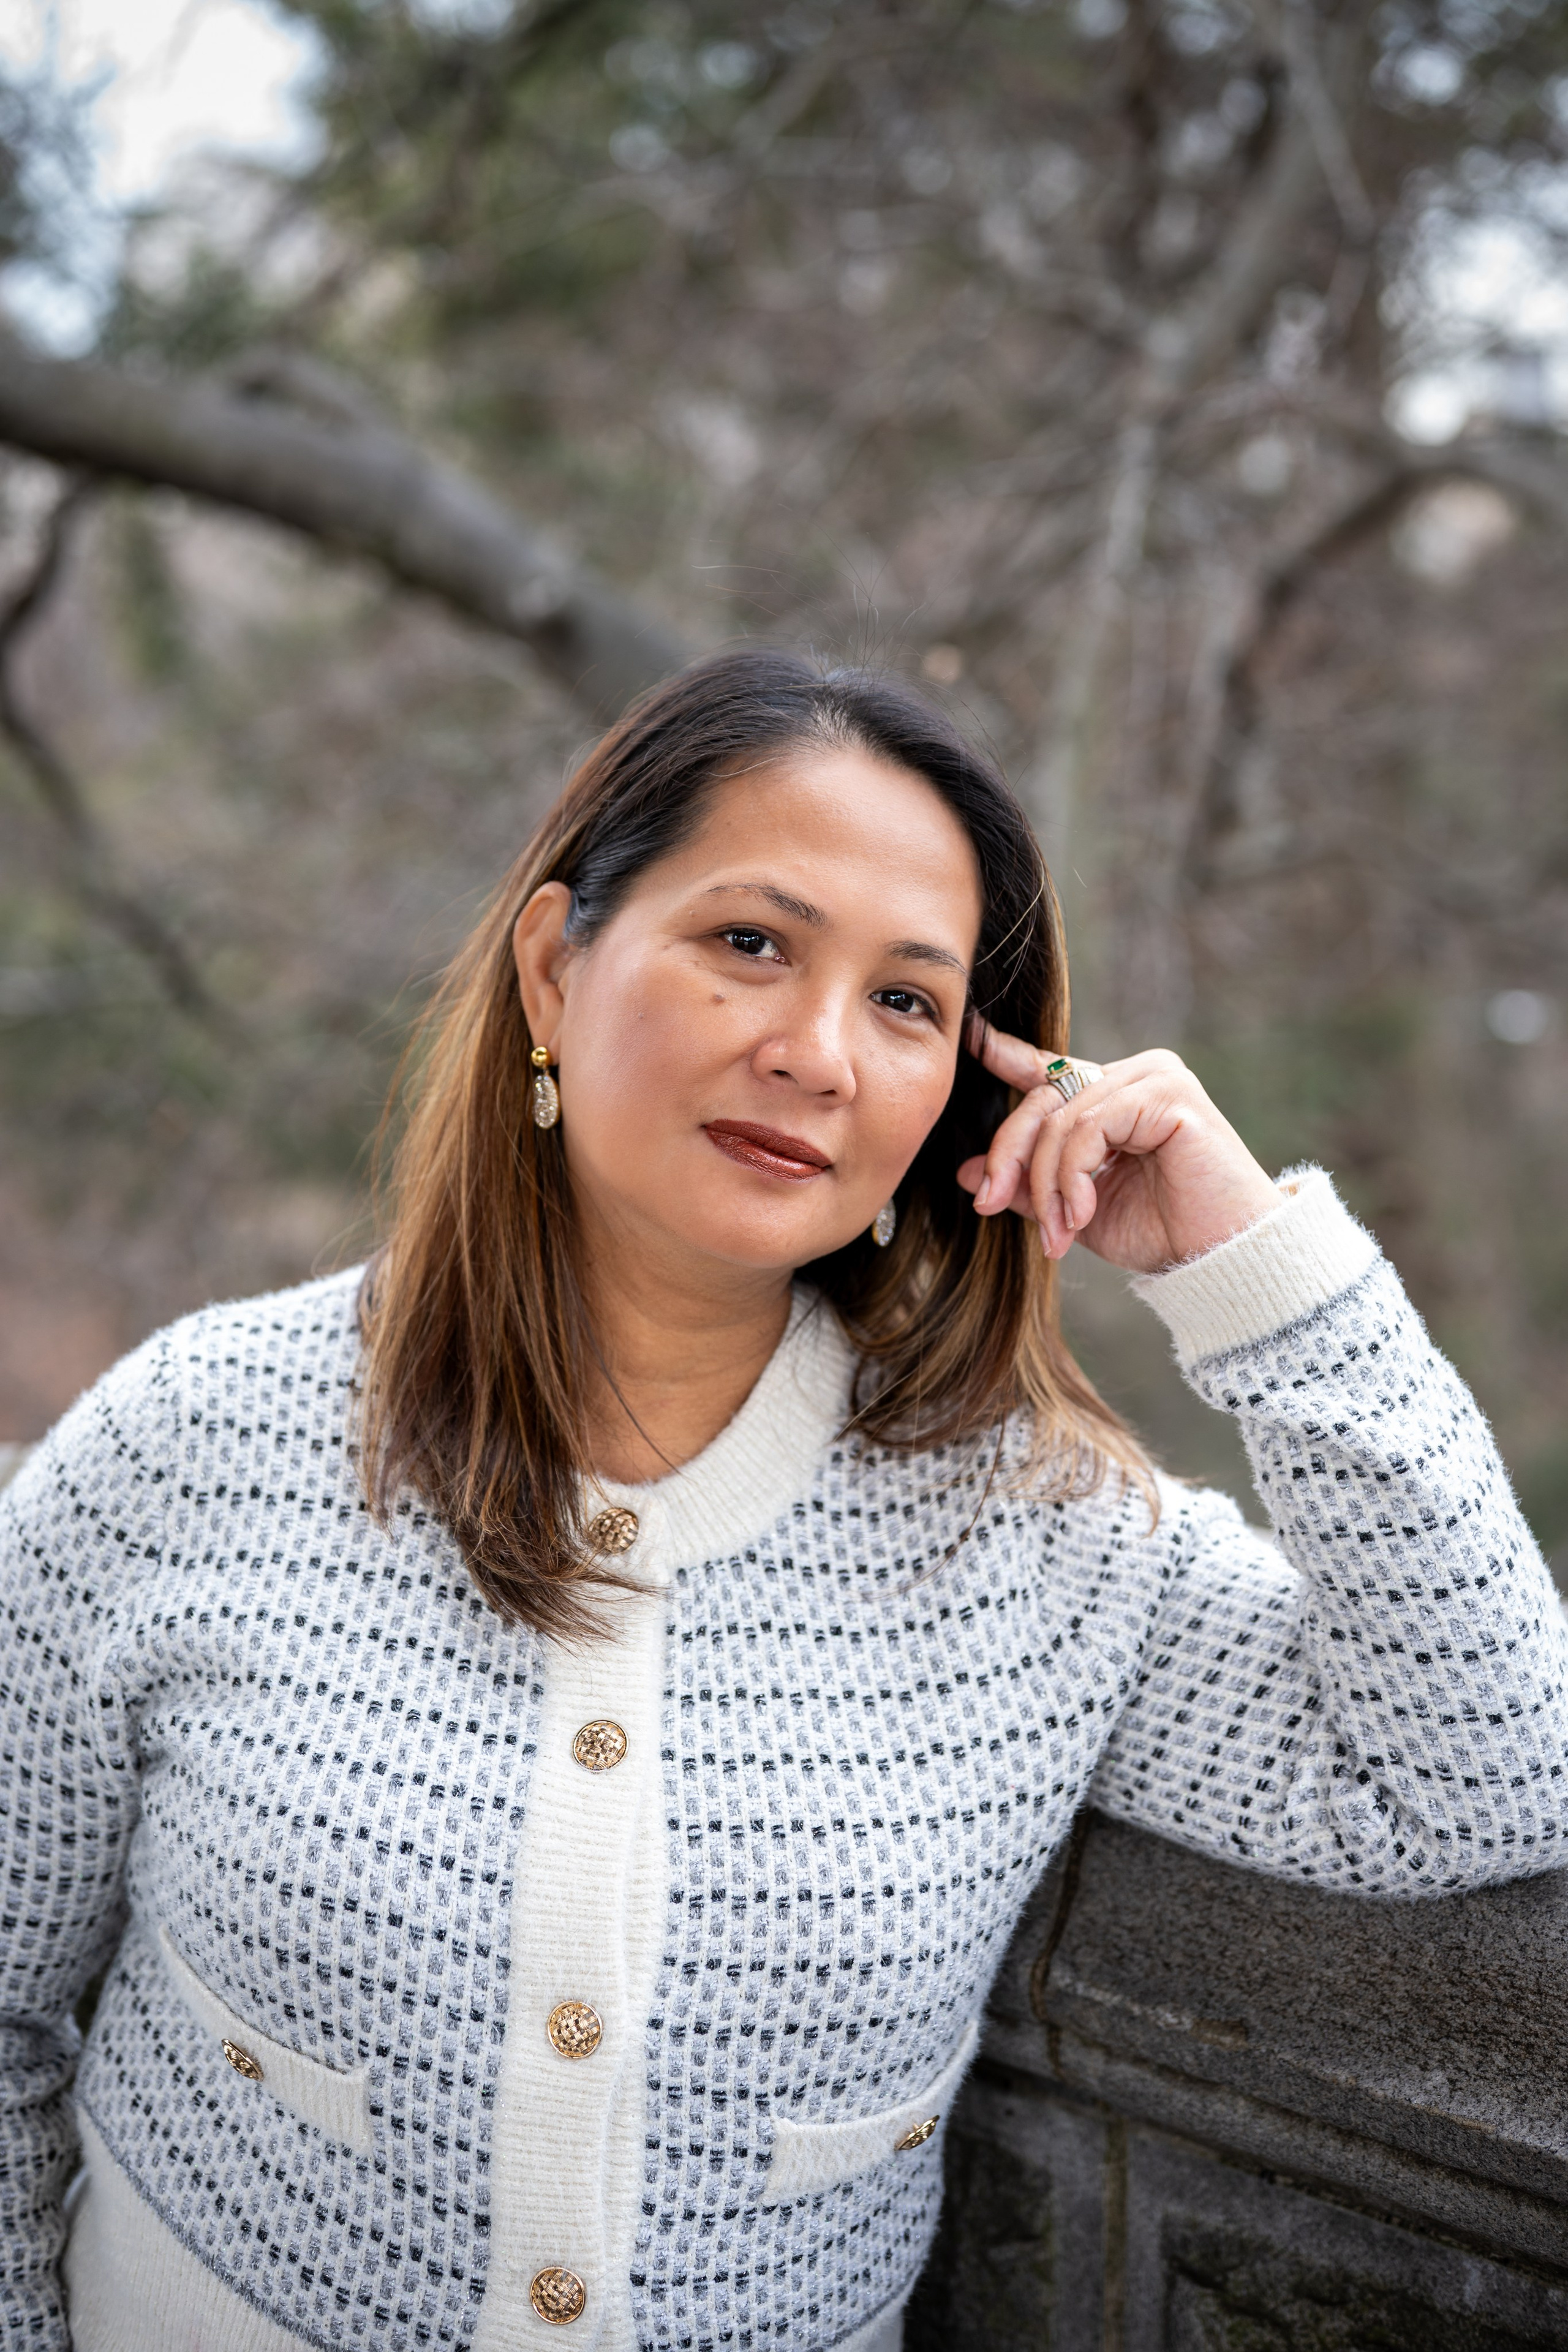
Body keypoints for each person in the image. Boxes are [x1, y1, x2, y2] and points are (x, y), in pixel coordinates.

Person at [2, 649, 1564, 2352]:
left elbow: (1483, 1784)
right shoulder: (200, 1437)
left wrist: (1253, 1268)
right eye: (750, 943)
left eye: (906, 1002)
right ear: (554, 967)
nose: (818, 1052)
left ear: (965, 1088)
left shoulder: (1038, 1535)